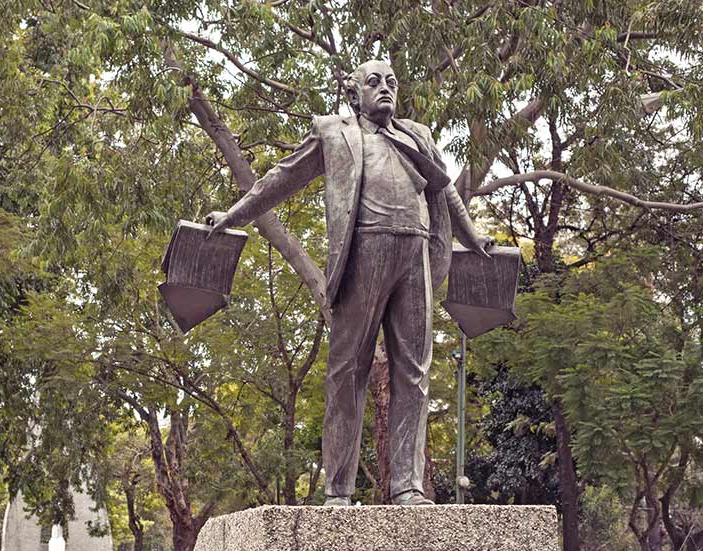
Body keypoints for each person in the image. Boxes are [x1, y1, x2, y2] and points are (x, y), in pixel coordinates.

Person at [206, 60, 492, 506]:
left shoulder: (416, 134)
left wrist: (473, 238)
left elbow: (444, 188)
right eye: (374, 82)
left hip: (415, 254)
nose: (385, 89)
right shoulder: (334, 131)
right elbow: (281, 179)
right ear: (353, 91)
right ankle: (338, 490)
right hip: (364, 251)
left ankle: (408, 487)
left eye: (392, 83)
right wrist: (232, 216)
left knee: (413, 374)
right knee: (346, 373)